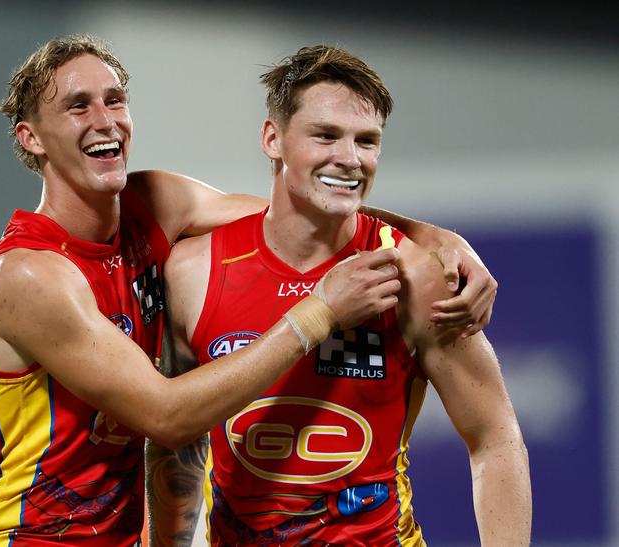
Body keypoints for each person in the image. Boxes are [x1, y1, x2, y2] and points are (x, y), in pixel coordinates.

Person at [0, 35, 498, 546]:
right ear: (31, 137)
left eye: (115, 100)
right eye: (78, 106)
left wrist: (434, 236)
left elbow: (305, 201)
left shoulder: (155, 204)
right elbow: (168, 418)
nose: (106, 121)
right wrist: (321, 311)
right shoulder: (29, 275)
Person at [149, 45, 530, 546]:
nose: (350, 159)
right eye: (326, 135)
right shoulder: (195, 270)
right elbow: (176, 442)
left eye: (367, 141)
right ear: (273, 139)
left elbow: (495, 437)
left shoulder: (414, 274)